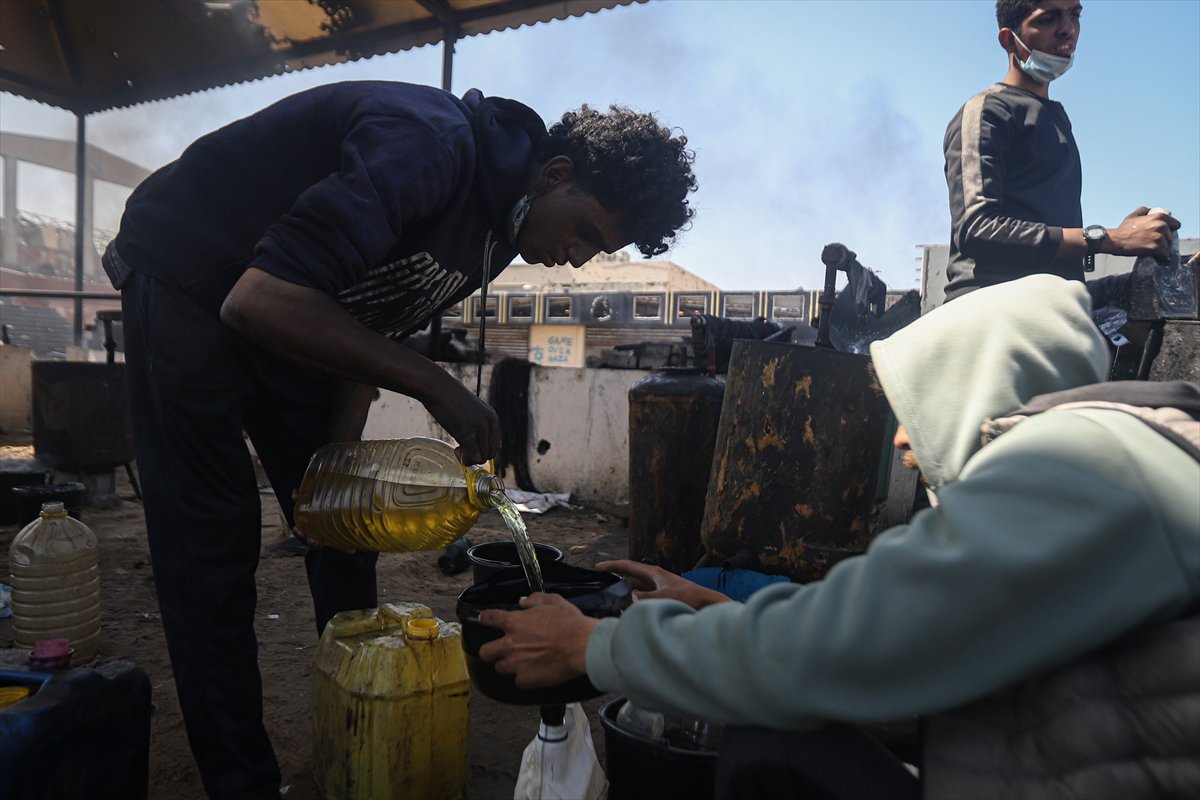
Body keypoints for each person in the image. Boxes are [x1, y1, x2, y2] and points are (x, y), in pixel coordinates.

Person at [101, 80, 697, 799]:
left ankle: (360, 725)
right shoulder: (429, 145)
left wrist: (334, 473)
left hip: (290, 312)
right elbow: (259, 300)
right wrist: (437, 385)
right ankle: (243, 784)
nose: (578, 258)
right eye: (589, 233)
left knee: (346, 538)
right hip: (191, 278)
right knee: (212, 556)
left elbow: (369, 318)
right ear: (556, 174)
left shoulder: (499, 234)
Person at [479, 274, 1200, 798]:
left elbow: (860, 641)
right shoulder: (1107, 478)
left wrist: (594, 646)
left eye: (908, 405)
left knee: (773, 742)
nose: (900, 441)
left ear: (971, 386)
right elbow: (904, 659)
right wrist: (707, 606)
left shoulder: (1091, 460)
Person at [942, 0, 1180, 301]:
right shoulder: (988, 111)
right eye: (1049, 18)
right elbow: (978, 229)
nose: (1068, 29)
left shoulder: (1055, 117)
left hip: (1057, 301)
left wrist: (1128, 235)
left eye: (1075, 15)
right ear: (1008, 39)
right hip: (992, 306)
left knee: (1170, 292)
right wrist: (1105, 239)